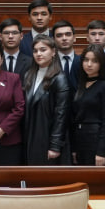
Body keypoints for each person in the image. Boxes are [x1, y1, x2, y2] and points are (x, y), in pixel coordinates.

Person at [22, 35, 71, 166]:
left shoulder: (59, 78)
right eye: (35, 51)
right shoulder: (29, 75)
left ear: (53, 52)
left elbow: (61, 115)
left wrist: (55, 145)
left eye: (43, 50)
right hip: (30, 136)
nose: (38, 54)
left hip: (48, 138)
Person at [70, 44, 105, 165]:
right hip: (80, 138)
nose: (89, 64)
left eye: (94, 61)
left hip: (95, 139)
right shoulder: (80, 85)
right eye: (86, 60)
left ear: (101, 64)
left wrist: (101, 152)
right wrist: (74, 148)